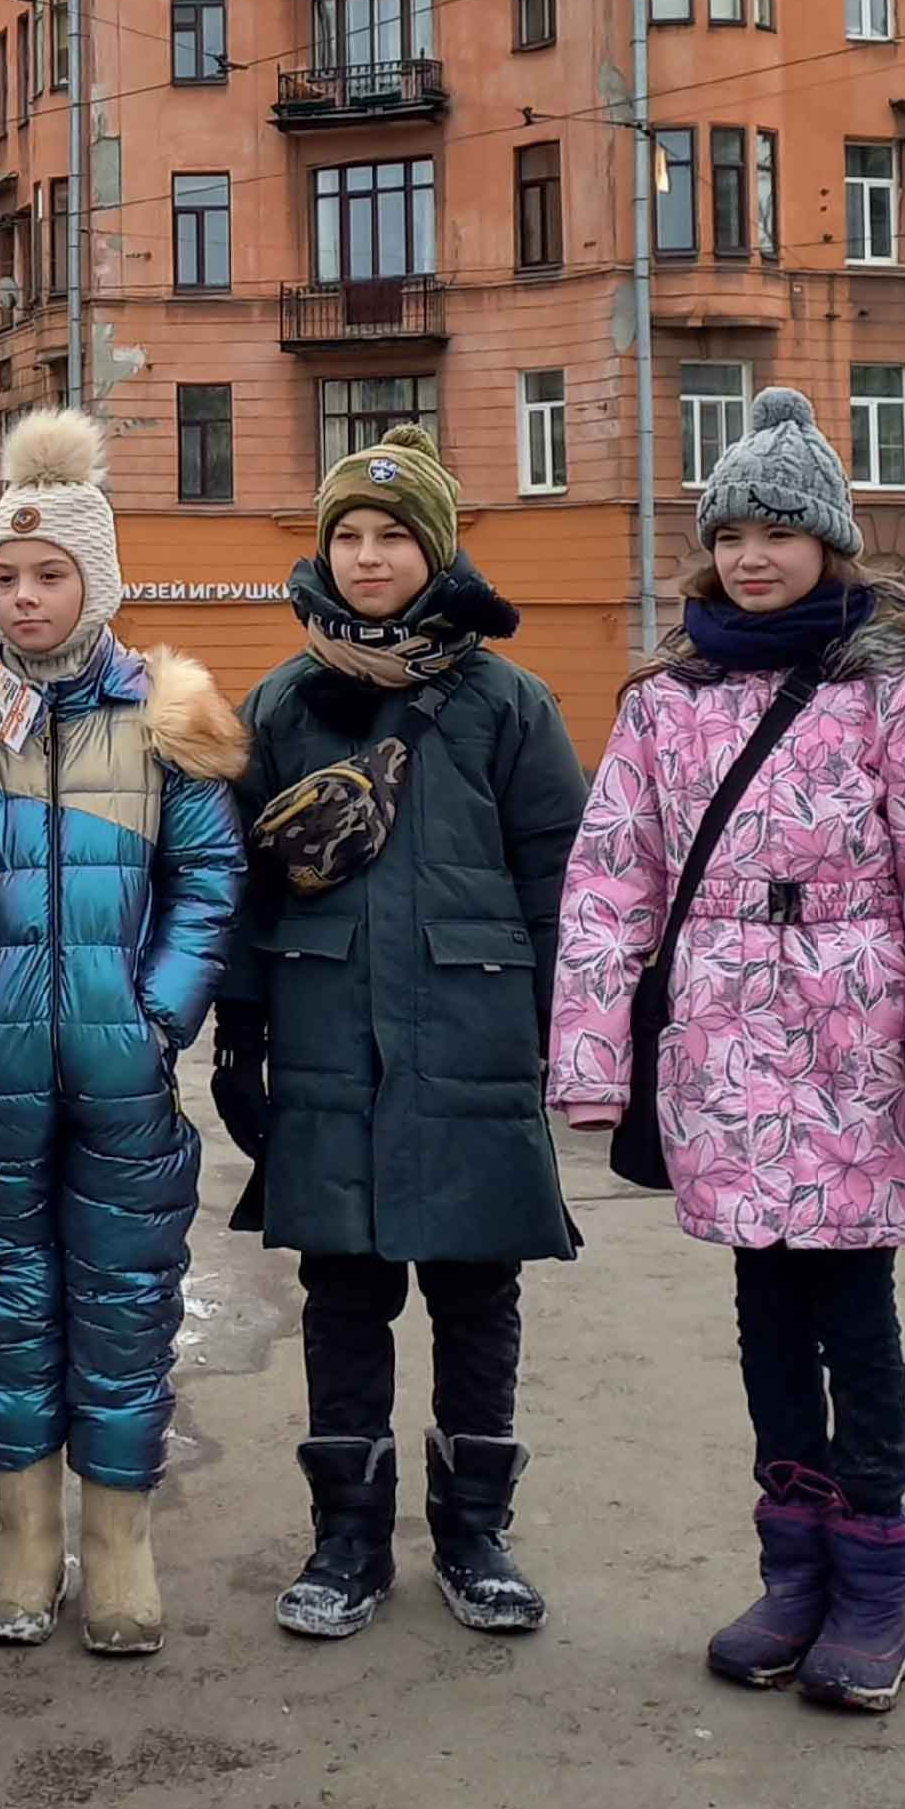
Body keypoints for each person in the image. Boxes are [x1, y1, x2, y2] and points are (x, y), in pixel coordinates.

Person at [548, 388, 905, 1713]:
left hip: (861, 1065)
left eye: (779, 533)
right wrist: (588, 1052)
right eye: (732, 531)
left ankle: (873, 1586)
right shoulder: (665, 702)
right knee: (763, 1318)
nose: (752, 555)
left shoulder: (899, 700)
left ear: (827, 545)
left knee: (853, 1321)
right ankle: (792, 1570)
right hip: (728, 1066)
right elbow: (607, 883)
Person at [0, 409, 246, 1655]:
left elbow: (208, 883)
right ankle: (24, 1531)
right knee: (4, 1301)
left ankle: (122, 1542)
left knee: (129, 1297)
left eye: (51, 575)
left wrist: (158, 1016)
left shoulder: (166, 720)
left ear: (99, 580)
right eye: (5, 578)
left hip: (123, 1077)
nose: (25, 598)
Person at [217, 423, 586, 1645]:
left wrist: (561, 1035)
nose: (368, 559)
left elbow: (558, 885)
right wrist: (239, 1034)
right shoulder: (283, 701)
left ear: (436, 552)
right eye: (348, 537)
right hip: (330, 1042)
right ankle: (349, 1541)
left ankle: (476, 1534)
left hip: (476, 1040)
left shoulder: (506, 705)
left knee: (479, 1290)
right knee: (343, 1290)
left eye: (392, 537)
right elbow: (247, 890)